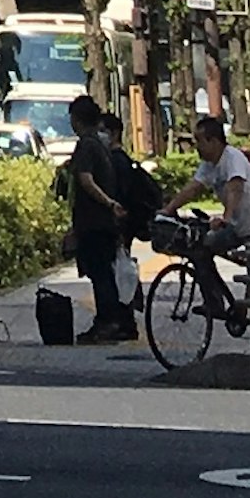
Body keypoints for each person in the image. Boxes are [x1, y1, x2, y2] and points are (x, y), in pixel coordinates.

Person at [179, 109, 250, 344]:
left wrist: (225, 217)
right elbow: (193, 188)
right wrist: (167, 209)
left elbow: (235, 187)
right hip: (237, 228)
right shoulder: (209, 163)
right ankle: (214, 300)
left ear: (214, 140)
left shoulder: (232, 157)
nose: (196, 146)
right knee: (200, 247)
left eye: (199, 141)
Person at [66, 101, 155, 344]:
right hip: (106, 222)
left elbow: (85, 180)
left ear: (77, 118)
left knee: (101, 274)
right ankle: (119, 322)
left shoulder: (86, 145)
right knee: (108, 272)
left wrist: (107, 203)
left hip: (94, 221)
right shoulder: (104, 146)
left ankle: (107, 323)